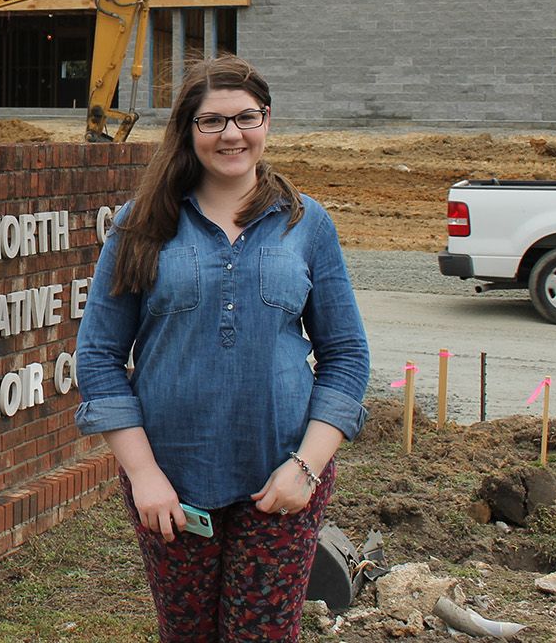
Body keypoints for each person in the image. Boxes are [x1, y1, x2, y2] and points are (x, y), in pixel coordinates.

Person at [74, 54, 370, 641]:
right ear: (188, 129)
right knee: (185, 633)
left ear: (267, 121)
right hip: (173, 487)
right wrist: (144, 477)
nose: (232, 134)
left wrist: (306, 469)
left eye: (246, 117)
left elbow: (347, 356)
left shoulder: (306, 223)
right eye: (212, 121)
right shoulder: (144, 226)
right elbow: (99, 358)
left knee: (261, 634)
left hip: (281, 483)